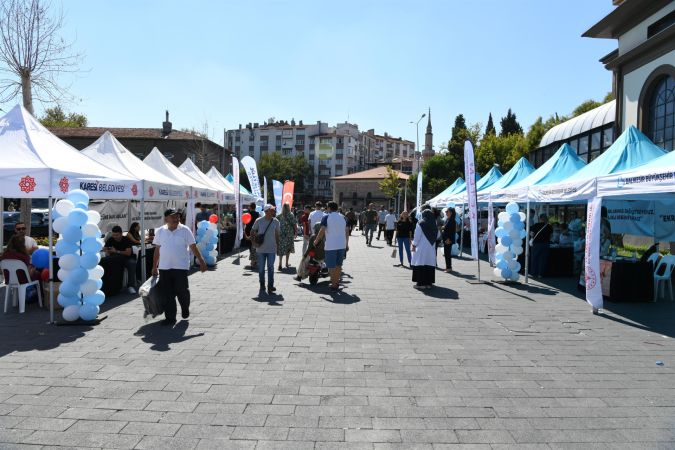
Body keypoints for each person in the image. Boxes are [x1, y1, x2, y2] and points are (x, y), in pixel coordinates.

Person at [152, 208, 207, 326]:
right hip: (164, 267)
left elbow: (193, 246)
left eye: (177, 216)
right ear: (166, 218)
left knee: (182, 291)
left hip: (181, 267)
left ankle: (185, 307)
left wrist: (201, 260)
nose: (176, 219)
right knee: (167, 294)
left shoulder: (185, 230)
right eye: (173, 217)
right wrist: (154, 267)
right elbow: (157, 250)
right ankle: (170, 318)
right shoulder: (160, 231)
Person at [314, 201, 348, 291]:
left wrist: (316, 240)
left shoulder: (326, 217)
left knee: (331, 266)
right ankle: (336, 282)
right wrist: (347, 243)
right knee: (338, 265)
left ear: (329, 208)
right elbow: (347, 231)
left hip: (331, 245)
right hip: (342, 244)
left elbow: (322, 230)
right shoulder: (343, 217)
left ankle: (333, 284)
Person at [252, 204, 281, 293]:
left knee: (271, 268)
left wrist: (278, 246)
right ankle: (262, 285)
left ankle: (270, 286)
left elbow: (277, 235)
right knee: (261, 269)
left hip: (272, 249)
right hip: (260, 249)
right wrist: (254, 241)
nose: (274, 211)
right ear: (266, 211)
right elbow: (252, 231)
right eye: (272, 210)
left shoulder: (276, 221)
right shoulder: (259, 221)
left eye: (273, 210)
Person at [103, 225, 138, 294]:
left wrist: (116, 251)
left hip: (127, 258)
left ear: (121, 234)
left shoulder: (126, 240)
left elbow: (128, 253)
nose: (115, 237)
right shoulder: (111, 239)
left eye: (117, 235)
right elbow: (104, 248)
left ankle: (131, 286)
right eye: (113, 235)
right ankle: (113, 287)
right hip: (115, 259)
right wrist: (108, 250)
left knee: (132, 263)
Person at [411, 208, 438, 289]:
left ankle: (420, 284)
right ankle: (428, 283)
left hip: (422, 246)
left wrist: (414, 244)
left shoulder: (420, 223)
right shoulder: (434, 223)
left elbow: (417, 236)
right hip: (431, 247)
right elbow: (438, 235)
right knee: (429, 263)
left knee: (421, 263)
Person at [529, 214, 553, 278]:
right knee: (543, 259)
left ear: (540, 218)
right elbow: (551, 236)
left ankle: (533, 273)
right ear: (546, 218)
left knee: (534, 259)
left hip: (537, 244)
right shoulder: (549, 226)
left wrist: (532, 238)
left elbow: (531, 234)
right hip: (546, 244)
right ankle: (540, 274)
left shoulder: (536, 225)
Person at [276, 203, 297, 270]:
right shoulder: (291, 215)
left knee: (281, 249)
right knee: (288, 249)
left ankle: (280, 264)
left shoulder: (280, 215)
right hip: (289, 234)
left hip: (281, 234)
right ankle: (287, 263)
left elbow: (275, 222)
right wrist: (296, 232)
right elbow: (294, 224)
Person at [243, 202, 260, 269]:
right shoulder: (257, 214)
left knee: (250, 246)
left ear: (250, 207)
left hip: (248, 230)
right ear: (255, 207)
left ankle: (253, 260)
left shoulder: (248, 214)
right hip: (255, 230)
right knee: (254, 246)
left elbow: (245, 222)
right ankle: (254, 260)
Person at [442, 207, 457, 273]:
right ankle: (448, 267)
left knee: (447, 254)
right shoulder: (448, 219)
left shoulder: (452, 220)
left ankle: (449, 267)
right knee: (446, 253)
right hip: (446, 238)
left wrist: (448, 239)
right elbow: (445, 228)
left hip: (448, 239)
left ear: (451, 212)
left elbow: (450, 231)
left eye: (447, 211)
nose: (446, 212)